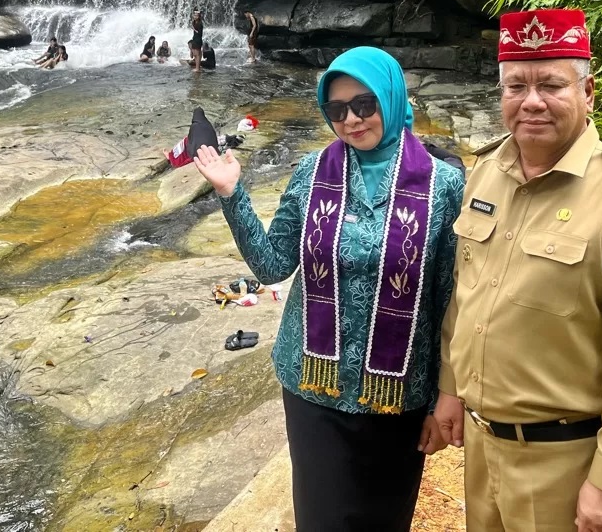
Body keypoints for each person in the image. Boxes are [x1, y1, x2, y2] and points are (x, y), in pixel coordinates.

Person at [431, 8, 602, 532]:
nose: (532, 101)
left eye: (551, 84)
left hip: (565, 462)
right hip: (481, 446)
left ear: (588, 92)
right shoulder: (486, 174)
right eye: (515, 85)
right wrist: (452, 387)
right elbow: (467, 292)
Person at [193, 47, 463, 532]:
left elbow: (449, 301)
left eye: (364, 104)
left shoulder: (443, 186)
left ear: (391, 96)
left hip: (397, 394)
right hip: (313, 386)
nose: (352, 120)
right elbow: (273, 264)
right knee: (321, 519)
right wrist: (231, 193)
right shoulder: (312, 173)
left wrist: (447, 396)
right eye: (337, 110)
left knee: (384, 518)